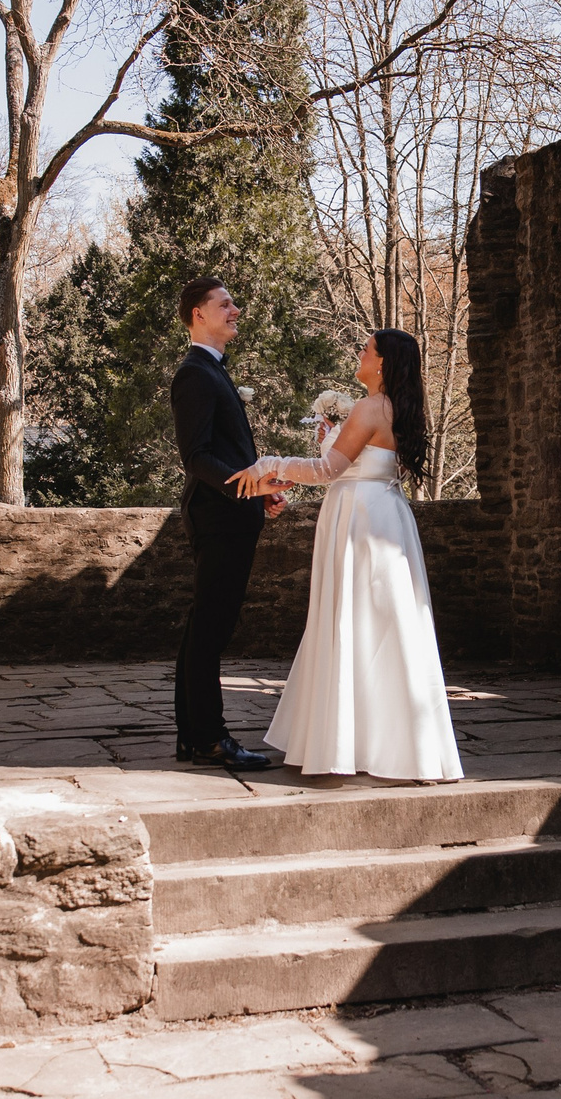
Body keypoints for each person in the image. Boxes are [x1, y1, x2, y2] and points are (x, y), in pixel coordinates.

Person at [233, 330, 464, 783]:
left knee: (356, 621)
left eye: (366, 349)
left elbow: (326, 472)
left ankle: (351, 742)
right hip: (380, 512)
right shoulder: (391, 407)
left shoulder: (370, 407)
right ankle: (390, 743)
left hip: (361, 520)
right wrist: (329, 437)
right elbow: (354, 460)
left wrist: (270, 464)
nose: (359, 354)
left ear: (381, 364)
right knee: (380, 623)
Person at [169, 277, 283, 768]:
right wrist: (250, 487)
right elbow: (196, 457)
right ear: (199, 313)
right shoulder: (195, 373)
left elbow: (227, 455)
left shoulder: (213, 371)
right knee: (210, 630)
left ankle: (195, 737)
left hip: (231, 514)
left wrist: (259, 495)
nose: (236, 309)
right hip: (216, 519)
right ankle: (210, 738)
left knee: (206, 628)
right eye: (225, 303)